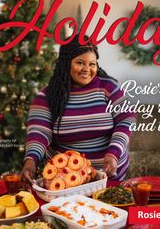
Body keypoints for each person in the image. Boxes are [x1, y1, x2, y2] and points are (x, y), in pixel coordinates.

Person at [21, 34, 136, 185]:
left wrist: (114, 154)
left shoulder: (109, 88)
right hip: (66, 179)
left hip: (108, 175)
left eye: (92, 64)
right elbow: (39, 133)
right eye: (80, 63)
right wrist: (31, 161)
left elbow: (126, 121)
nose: (87, 69)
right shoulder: (48, 95)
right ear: (66, 63)